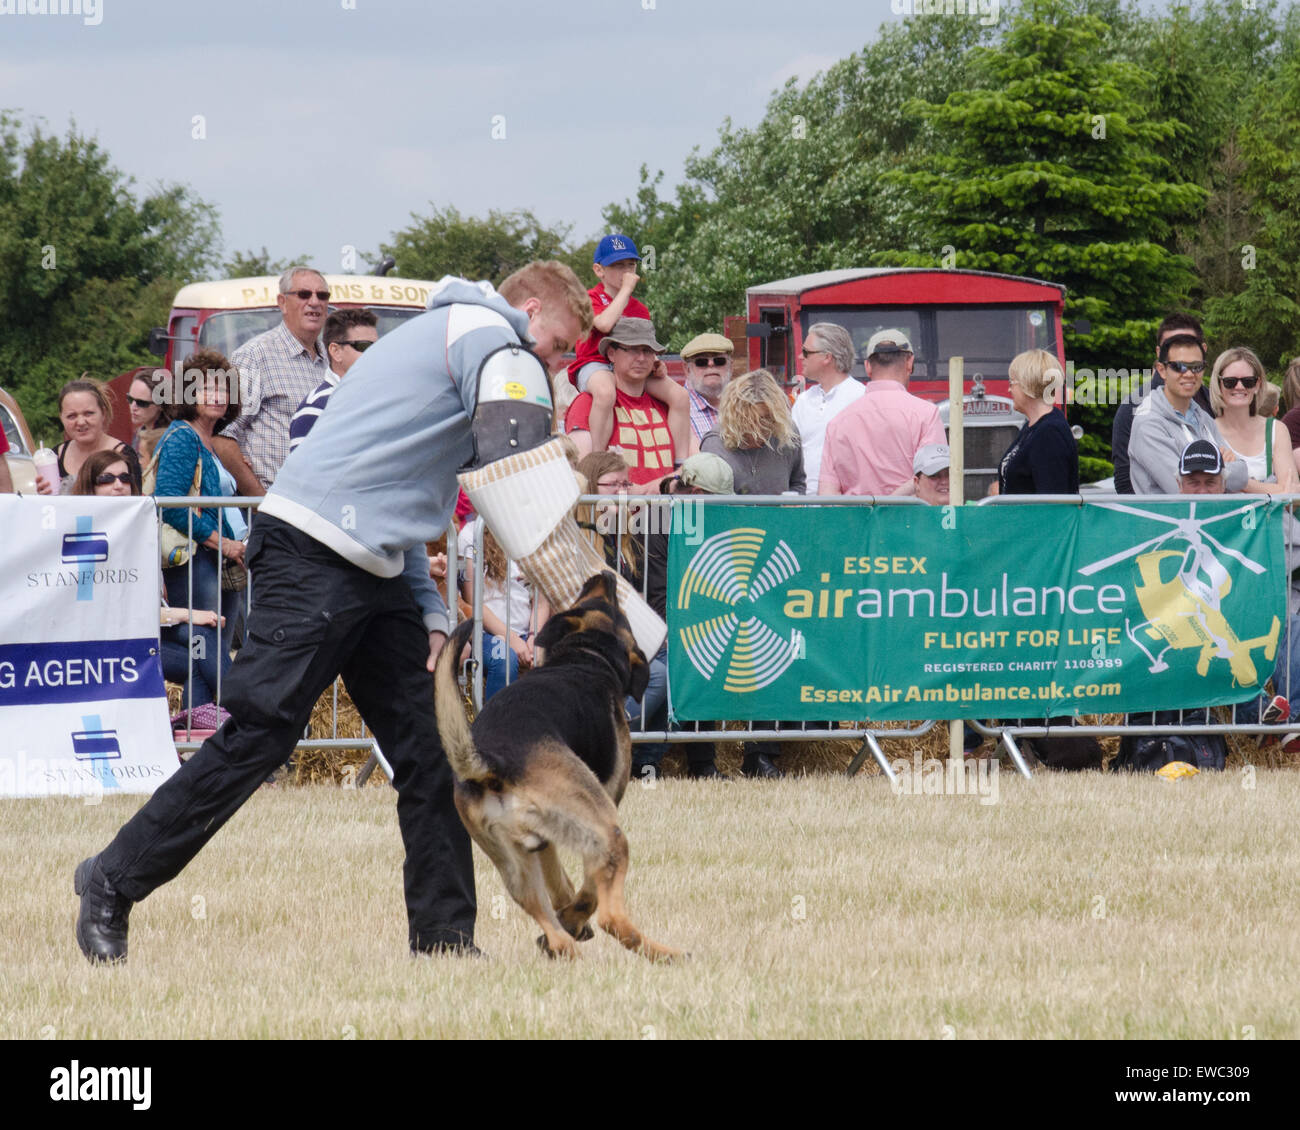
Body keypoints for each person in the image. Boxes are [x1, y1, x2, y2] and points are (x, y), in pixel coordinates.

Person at [74, 261, 590, 964]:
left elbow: (395, 492)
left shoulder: (457, 344)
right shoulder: (479, 330)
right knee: (259, 737)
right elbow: (515, 464)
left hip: (375, 570)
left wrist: (432, 609)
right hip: (310, 553)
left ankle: (444, 943)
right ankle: (110, 881)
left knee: (434, 754)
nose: (553, 365)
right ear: (529, 310)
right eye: (557, 344)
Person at [574, 450, 728, 780]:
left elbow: (640, 596)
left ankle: (645, 764)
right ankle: (602, 747)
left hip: (630, 632)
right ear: (590, 486)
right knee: (669, 669)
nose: (622, 491)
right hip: (596, 635)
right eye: (613, 484)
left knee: (685, 658)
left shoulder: (627, 535)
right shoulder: (582, 535)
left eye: (626, 483)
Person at [72, 449, 231, 715]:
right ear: (90, 486)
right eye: (106, 479)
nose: (118, 485)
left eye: (125, 477)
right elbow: (122, 612)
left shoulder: (141, 527)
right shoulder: (87, 539)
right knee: (197, 654)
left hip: (154, 628)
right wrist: (189, 614)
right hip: (115, 640)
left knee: (201, 642)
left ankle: (203, 736)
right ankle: (246, 714)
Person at [151, 349, 247, 679]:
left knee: (213, 648)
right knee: (203, 648)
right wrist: (223, 543)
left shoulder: (208, 442)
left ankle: (213, 720)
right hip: (195, 558)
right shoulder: (182, 437)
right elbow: (170, 504)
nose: (218, 396)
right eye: (207, 388)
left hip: (217, 558)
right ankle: (229, 712)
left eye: (224, 389)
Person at [214, 265, 333, 496]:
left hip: (318, 508)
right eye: (304, 294)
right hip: (275, 509)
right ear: (282, 302)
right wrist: (261, 502)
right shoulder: (254, 356)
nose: (315, 302)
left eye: (322, 295)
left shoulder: (330, 361)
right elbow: (222, 436)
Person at [566, 234, 688, 458]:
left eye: (630, 265)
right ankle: (597, 460)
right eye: (617, 265)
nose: (626, 271)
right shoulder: (587, 299)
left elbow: (644, 344)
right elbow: (603, 324)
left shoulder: (639, 308)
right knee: (605, 392)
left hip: (630, 366)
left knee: (680, 396)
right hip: (594, 364)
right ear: (599, 270)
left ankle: (680, 464)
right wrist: (625, 290)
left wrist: (656, 362)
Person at [818, 329, 944, 496]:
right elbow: (933, 477)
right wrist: (887, 506)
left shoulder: (837, 423)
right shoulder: (927, 414)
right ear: (909, 362)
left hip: (857, 520)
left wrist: (869, 515)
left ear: (868, 366)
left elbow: (827, 494)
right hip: (912, 519)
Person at [1129, 334, 1249, 496]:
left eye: (1196, 366)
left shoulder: (1203, 417)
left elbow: (1242, 475)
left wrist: (1207, 469)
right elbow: (1183, 489)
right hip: (1168, 519)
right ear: (1162, 370)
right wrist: (1220, 465)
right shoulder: (1148, 423)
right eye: (1179, 366)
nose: (1189, 374)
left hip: (1210, 517)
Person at [565, 317, 676, 489]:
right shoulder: (587, 403)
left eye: (647, 351)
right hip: (614, 513)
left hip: (667, 513)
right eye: (632, 349)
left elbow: (692, 463)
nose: (641, 358)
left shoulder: (668, 404)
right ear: (611, 353)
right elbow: (584, 475)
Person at [1112, 313, 1213, 494]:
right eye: (1173, 345)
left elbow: (1239, 471)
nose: (1187, 370)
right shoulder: (1136, 410)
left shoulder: (1210, 405)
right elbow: (1124, 480)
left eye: (1188, 344)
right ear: (1161, 356)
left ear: (1202, 350)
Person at [457, 518, 550, 701]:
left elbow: (541, 600)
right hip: (485, 633)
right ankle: (495, 726)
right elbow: (472, 600)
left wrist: (533, 637)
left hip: (527, 633)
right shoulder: (471, 534)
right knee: (504, 659)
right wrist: (511, 638)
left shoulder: (533, 534)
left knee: (556, 659)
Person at [288, 308, 380, 453]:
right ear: (335, 351)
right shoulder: (317, 407)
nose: (374, 354)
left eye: (378, 347)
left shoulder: (379, 400)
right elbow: (302, 472)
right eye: (364, 346)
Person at [700, 368, 806, 494]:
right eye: (749, 421)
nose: (759, 429)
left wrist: (794, 504)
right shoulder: (715, 444)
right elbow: (709, 503)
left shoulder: (788, 433)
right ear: (734, 417)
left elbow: (797, 483)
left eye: (766, 419)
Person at [1209, 346, 1298, 495]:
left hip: (1273, 519)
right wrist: (1274, 489)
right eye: (1230, 382)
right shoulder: (1207, 430)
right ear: (1219, 385)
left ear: (1257, 385)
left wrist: (1240, 481)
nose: (1239, 387)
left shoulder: (1276, 430)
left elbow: (1292, 495)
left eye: (1248, 381)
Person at [791, 322, 865, 493]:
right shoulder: (802, 401)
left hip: (845, 506)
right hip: (803, 504)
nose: (800, 356)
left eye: (806, 352)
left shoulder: (861, 398)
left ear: (827, 357)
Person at [37, 378, 141, 496]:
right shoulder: (54, 457)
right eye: (72, 416)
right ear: (61, 418)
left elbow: (134, 506)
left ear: (103, 413)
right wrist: (42, 495)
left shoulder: (125, 454)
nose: (81, 422)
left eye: (88, 413)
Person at [997, 348, 1079, 494]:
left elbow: (1053, 502)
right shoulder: (1032, 427)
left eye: (1012, 382)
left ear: (1027, 383)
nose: (1009, 390)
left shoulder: (1050, 433)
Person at [680, 332, 735, 454]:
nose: (711, 365)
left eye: (719, 361)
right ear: (687, 369)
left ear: (731, 366)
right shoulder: (676, 408)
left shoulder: (743, 406)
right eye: (701, 362)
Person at [127, 369, 171, 455]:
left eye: (142, 403)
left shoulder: (169, 440)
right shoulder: (139, 433)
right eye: (130, 399)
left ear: (161, 405)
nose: (133, 407)